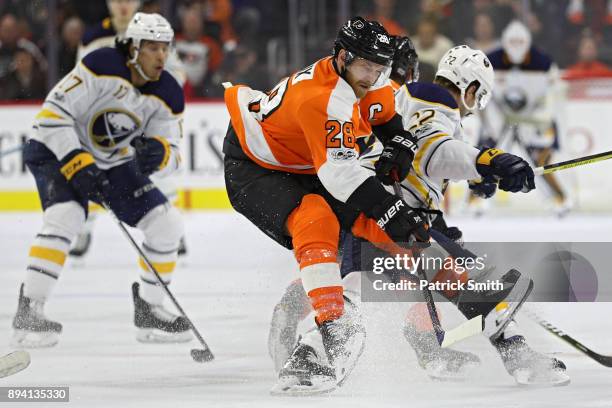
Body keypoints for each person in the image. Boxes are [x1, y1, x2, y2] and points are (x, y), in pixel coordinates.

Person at [268, 43, 568, 386]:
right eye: (478, 97)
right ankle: (518, 357)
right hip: (390, 215)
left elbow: (422, 160)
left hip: (372, 211)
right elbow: (429, 151)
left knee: (366, 287)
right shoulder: (432, 95)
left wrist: (476, 176)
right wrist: (488, 160)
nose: (474, 109)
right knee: (469, 283)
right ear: (469, 88)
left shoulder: (408, 98)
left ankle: (307, 359)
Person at [224, 17, 430, 395]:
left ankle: (295, 306)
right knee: (317, 219)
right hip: (254, 164)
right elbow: (340, 178)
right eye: (366, 66)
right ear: (342, 57)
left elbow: (384, 117)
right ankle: (333, 325)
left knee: (382, 227)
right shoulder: (324, 99)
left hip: (301, 159)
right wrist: (390, 208)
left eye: (379, 67)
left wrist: (399, 142)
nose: (373, 75)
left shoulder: (369, 72)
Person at [11, 13, 191, 348]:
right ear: (133, 48)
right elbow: (52, 115)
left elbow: (176, 154)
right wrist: (77, 161)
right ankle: (29, 310)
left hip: (109, 162)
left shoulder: (168, 91)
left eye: (165, 48)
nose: (161, 56)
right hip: (54, 149)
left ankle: (150, 308)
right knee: (67, 215)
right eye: (152, 47)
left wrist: (161, 155)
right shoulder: (101, 64)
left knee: (167, 224)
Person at [72, 0, 187, 257]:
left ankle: (173, 230)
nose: (123, 5)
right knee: (91, 170)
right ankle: (82, 229)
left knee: (155, 164)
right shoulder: (93, 37)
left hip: (145, 117)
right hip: (103, 120)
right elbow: (80, 80)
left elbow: (177, 73)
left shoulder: (155, 33)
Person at [481, 20, 570, 216]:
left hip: (534, 117)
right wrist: (491, 124)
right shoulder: (491, 60)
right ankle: (478, 198)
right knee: (486, 155)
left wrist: (542, 121)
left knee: (542, 159)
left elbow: (552, 97)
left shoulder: (543, 62)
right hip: (502, 115)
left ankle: (560, 198)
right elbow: (483, 93)